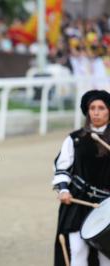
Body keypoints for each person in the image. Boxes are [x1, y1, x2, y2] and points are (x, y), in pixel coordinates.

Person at [53, 90, 110, 266]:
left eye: (101, 108)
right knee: (77, 250)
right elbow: (62, 167)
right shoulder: (75, 139)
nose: (96, 112)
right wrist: (63, 189)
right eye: (92, 108)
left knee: (106, 254)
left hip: (107, 204)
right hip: (79, 201)